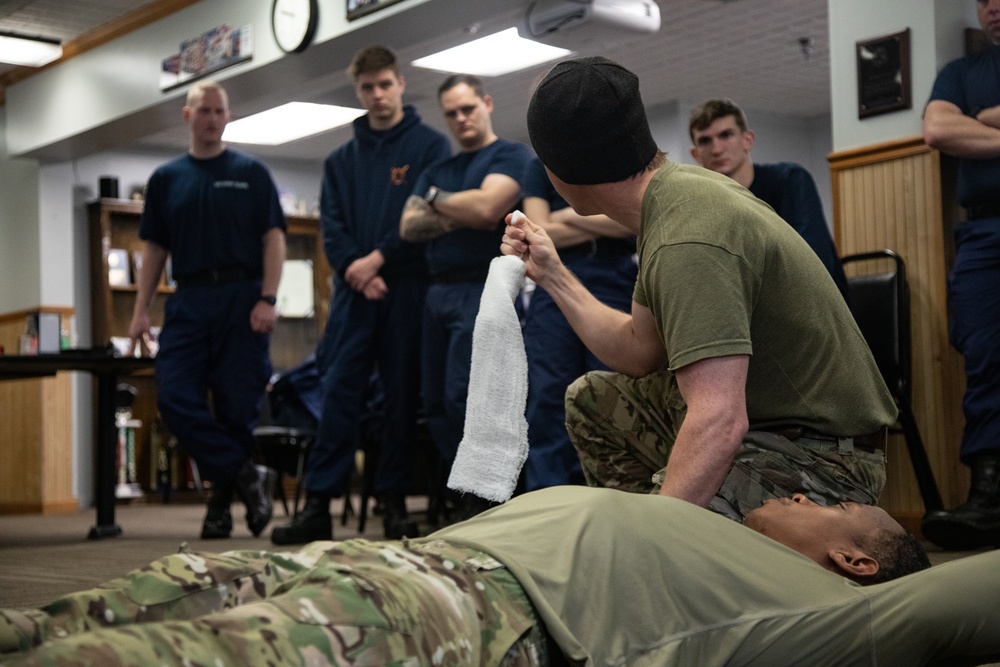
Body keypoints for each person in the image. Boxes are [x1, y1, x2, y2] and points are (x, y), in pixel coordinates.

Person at [503, 57, 896, 523]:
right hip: (774, 428)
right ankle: (678, 546)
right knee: (592, 399)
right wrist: (552, 274)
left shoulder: (685, 236)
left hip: (825, 459)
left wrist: (658, 537)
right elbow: (637, 352)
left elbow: (720, 420)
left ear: (561, 169)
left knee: (642, 541)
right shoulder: (673, 198)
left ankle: (672, 553)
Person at [11, 486, 1000, 667]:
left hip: (474, 610)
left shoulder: (833, 611)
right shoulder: (722, 536)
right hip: (399, 557)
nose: (792, 492)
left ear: (855, 556)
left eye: (822, 504)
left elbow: (961, 594)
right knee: (96, 603)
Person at [270, 46, 450, 545]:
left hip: (406, 287)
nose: (377, 95)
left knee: (398, 397)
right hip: (354, 291)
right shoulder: (340, 159)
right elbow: (332, 225)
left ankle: (393, 505)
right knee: (339, 395)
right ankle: (318, 506)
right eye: (368, 87)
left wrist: (378, 260)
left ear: (400, 83)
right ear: (358, 90)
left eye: (385, 84)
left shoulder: (431, 147)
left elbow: (426, 217)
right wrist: (356, 267)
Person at [127, 80, 285, 540]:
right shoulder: (167, 179)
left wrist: (268, 298)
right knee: (174, 396)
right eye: (204, 111)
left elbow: (273, 239)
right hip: (190, 299)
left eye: (219, 111)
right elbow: (155, 250)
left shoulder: (251, 173)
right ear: (187, 116)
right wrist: (140, 310)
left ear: (228, 116)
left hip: (243, 298)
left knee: (238, 408)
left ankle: (219, 507)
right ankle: (246, 474)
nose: (212, 119)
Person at [399, 74, 532, 515]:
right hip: (436, 293)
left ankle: (489, 500)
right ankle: (467, 496)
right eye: (452, 113)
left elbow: (488, 209)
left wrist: (436, 201)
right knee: (435, 402)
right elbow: (409, 226)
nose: (461, 118)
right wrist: (463, 208)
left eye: (468, 108)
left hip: (483, 287)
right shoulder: (440, 170)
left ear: (487, 103)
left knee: (465, 396)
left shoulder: (510, 155)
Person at [920, 0, 1000, 551]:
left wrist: (985, 121)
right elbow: (937, 129)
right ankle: (989, 497)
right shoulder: (960, 73)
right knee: (986, 356)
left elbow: (965, 128)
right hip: (984, 236)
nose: (991, 6)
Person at [520, 155, 637, 490]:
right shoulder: (539, 166)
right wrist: (597, 218)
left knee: (609, 395)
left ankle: (611, 501)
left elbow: (632, 221)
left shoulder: (614, 155)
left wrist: (565, 216)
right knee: (548, 397)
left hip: (613, 282)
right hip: (553, 283)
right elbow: (537, 235)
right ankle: (547, 504)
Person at [688, 98, 850, 300]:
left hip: (816, 312)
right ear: (696, 154)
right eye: (705, 140)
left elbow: (812, 263)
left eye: (726, 135)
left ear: (747, 140)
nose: (717, 148)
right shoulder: (701, 207)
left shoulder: (789, 179)